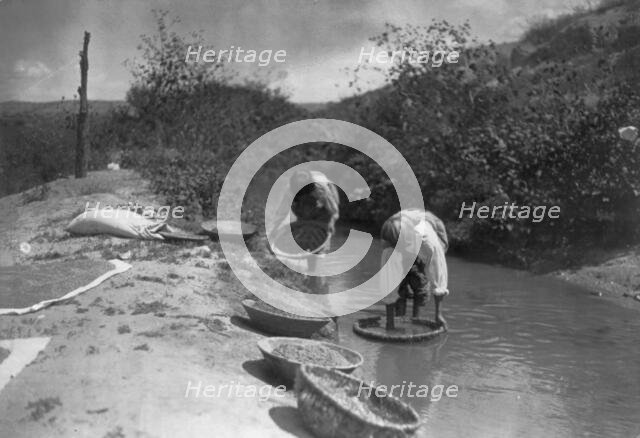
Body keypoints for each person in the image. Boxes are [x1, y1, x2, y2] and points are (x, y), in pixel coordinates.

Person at [380, 208, 449, 328]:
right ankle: (397, 318)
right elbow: (387, 283)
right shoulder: (389, 245)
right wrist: (389, 323)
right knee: (400, 286)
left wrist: (439, 314)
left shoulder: (429, 243)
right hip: (405, 230)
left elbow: (439, 275)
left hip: (430, 230)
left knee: (421, 286)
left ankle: (417, 322)